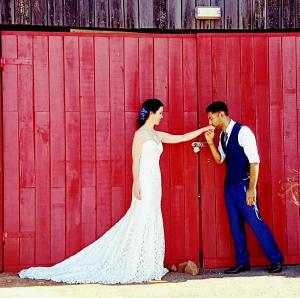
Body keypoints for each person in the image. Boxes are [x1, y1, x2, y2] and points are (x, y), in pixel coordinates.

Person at [19, 98, 213, 284]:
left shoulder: (157, 135)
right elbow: (135, 161)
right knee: (141, 218)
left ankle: (149, 264)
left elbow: (181, 138)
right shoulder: (140, 135)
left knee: (153, 217)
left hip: (156, 183)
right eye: (160, 113)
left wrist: (204, 129)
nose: (162, 116)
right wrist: (136, 183)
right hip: (144, 181)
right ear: (151, 113)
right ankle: (136, 263)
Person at [204, 101, 284, 274]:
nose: (210, 123)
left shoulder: (243, 132)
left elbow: (254, 162)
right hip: (230, 187)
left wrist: (251, 188)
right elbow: (220, 159)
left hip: (243, 185)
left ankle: (276, 259)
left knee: (256, 223)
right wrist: (210, 143)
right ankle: (243, 262)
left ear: (221, 114)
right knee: (235, 225)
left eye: (211, 119)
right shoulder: (222, 136)